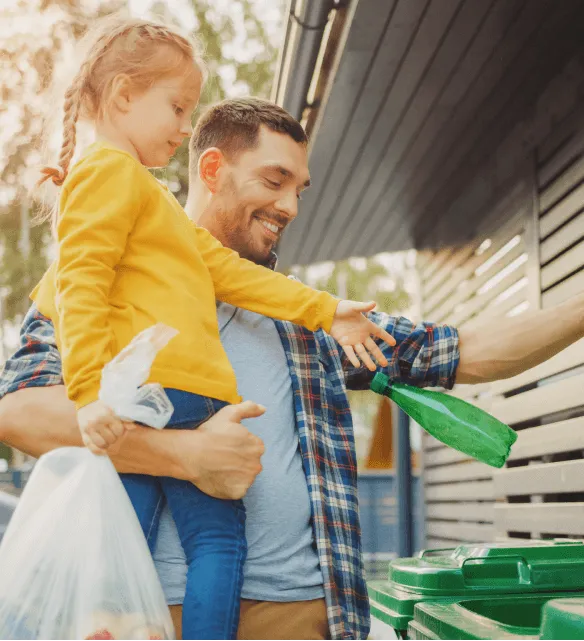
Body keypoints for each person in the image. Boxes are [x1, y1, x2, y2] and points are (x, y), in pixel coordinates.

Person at [1, 97, 584, 640]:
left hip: (305, 615)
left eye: (300, 189)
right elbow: (21, 413)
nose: (290, 206)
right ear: (210, 170)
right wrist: (183, 456)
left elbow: (467, 350)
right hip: (154, 617)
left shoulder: (310, 319)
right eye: (274, 181)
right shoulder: (99, 280)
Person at [30, 16, 396, 641]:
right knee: (211, 544)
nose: (182, 126)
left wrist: (324, 310)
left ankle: (112, 621)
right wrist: (89, 393)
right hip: (161, 399)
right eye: (176, 108)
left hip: (177, 400)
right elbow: (80, 286)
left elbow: (229, 272)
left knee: (136, 534)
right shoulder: (108, 174)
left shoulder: (150, 201)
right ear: (122, 96)